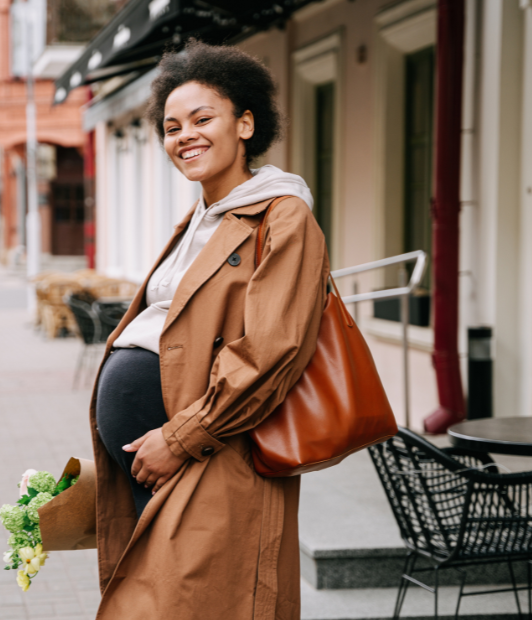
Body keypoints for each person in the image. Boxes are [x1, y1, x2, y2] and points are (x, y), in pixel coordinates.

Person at [91, 40, 329, 620]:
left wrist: (179, 437)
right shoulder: (199, 219)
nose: (184, 136)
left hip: (211, 451)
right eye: (172, 126)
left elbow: (274, 349)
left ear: (246, 123)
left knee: (204, 603)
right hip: (164, 455)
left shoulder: (282, 214)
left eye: (203, 119)